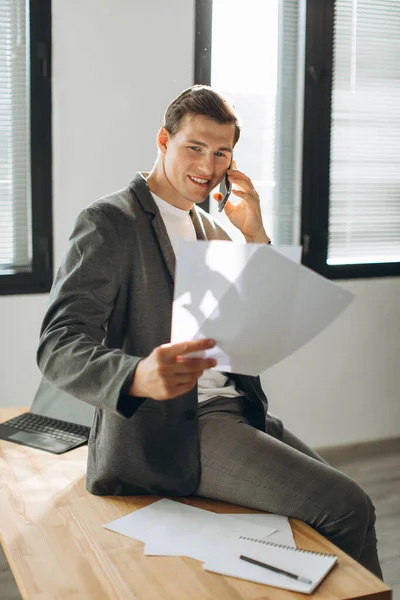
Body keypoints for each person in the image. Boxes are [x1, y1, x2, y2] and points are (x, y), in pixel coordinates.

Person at [37, 85, 382, 579]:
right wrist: (136, 375)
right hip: (174, 427)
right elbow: (58, 342)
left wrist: (255, 237)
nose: (209, 164)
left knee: (350, 509)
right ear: (163, 140)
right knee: (345, 507)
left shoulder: (212, 228)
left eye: (222, 152)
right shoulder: (110, 222)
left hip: (236, 406)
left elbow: (253, 323)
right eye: (194, 147)